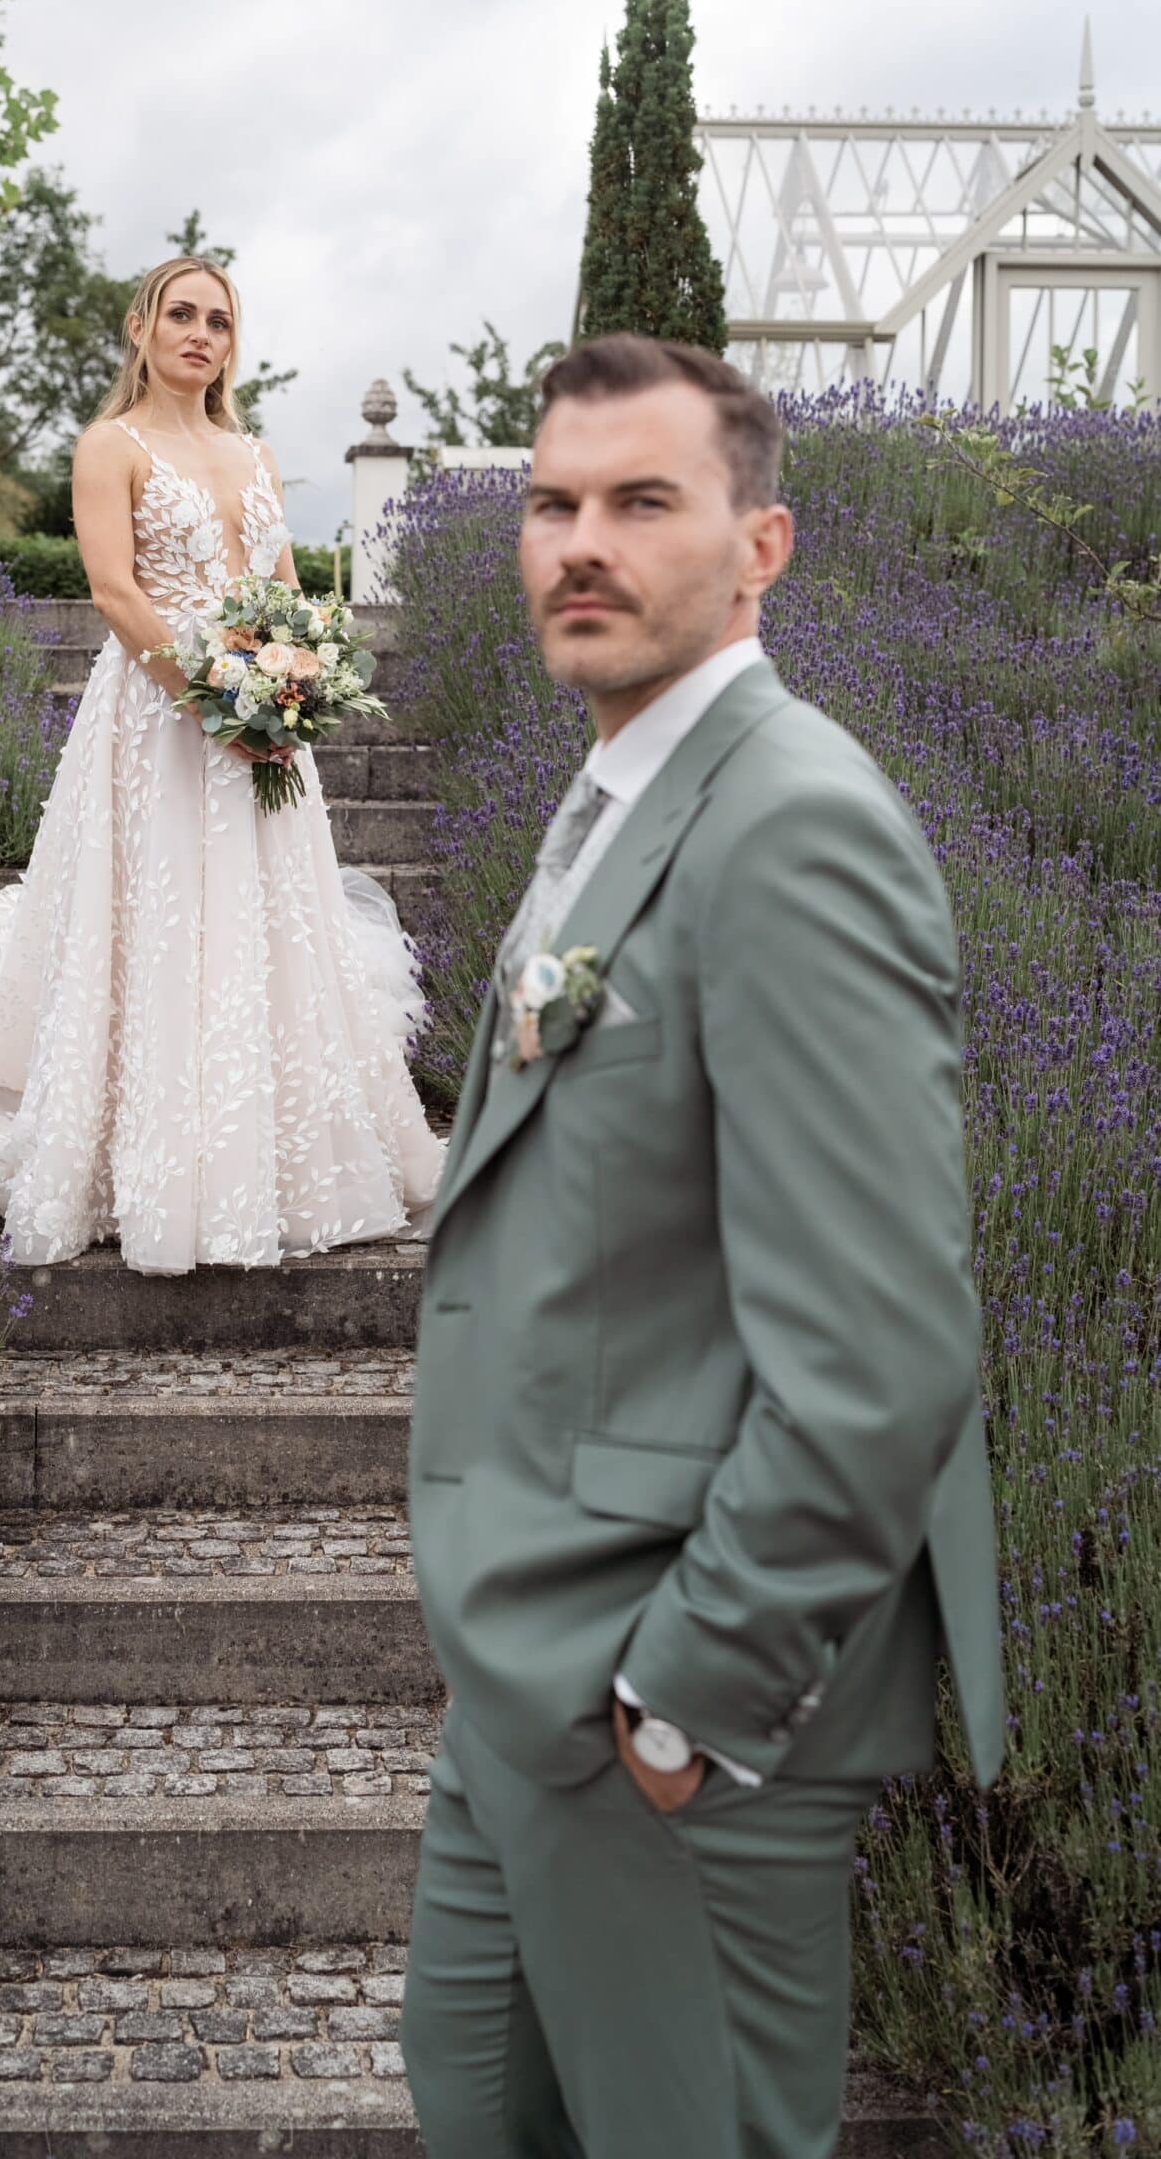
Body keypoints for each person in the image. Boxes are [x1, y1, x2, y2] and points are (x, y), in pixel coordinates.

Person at [400, 335, 1004, 2158]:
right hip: (523, 1674)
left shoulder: (792, 824)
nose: (580, 542)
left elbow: (881, 1353)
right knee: (474, 2105)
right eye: (551, 503)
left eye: (640, 501)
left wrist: (687, 1701)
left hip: (671, 1713)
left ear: (760, 547)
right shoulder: (620, 789)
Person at [0, 252, 444, 1276]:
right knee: (159, 917)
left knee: (265, 922)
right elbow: (116, 592)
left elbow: (285, 588)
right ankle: (154, 1160)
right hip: (156, 717)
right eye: (182, 315)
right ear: (141, 327)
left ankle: (271, 1156)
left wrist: (292, 688)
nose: (200, 335)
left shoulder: (254, 454)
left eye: (218, 321)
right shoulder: (109, 445)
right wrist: (213, 701)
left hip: (261, 725)